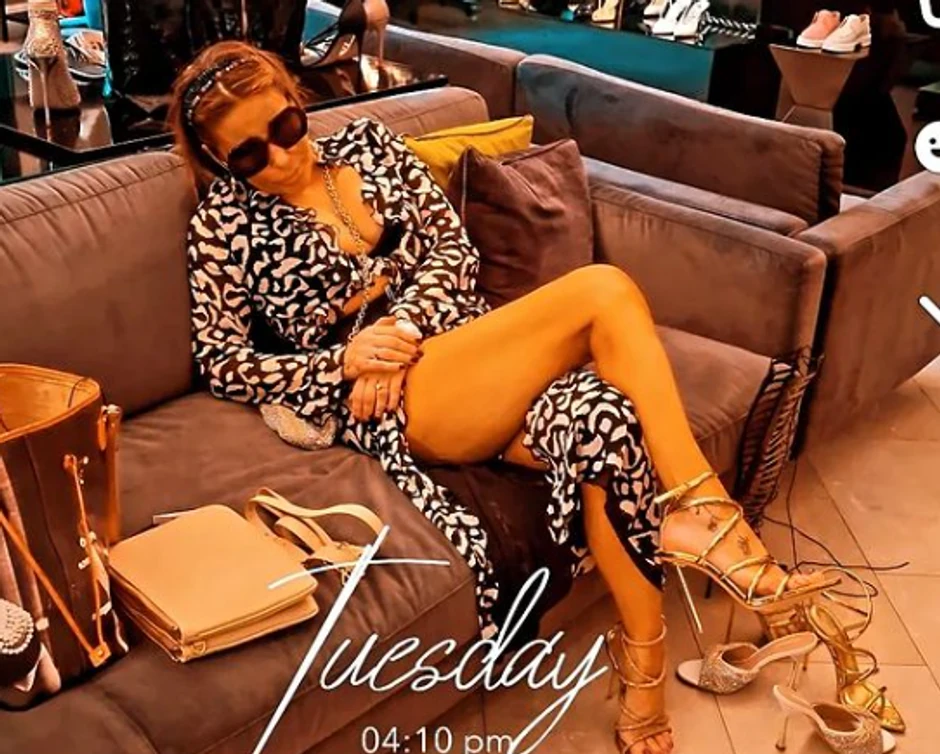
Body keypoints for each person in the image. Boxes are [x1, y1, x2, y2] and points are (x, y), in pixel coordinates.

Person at [170, 40, 832, 754]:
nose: (278, 158)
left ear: (298, 103)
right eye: (249, 156)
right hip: (399, 406)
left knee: (605, 421)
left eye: (285, 128)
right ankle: (725, 532)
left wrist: (402, 329)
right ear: (218, 160)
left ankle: (643, 673)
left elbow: (453, 251)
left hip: (472, 351)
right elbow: (222, 362)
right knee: (603, 292)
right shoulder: (221, 226)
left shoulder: (370, 145)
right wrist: (347, 358)